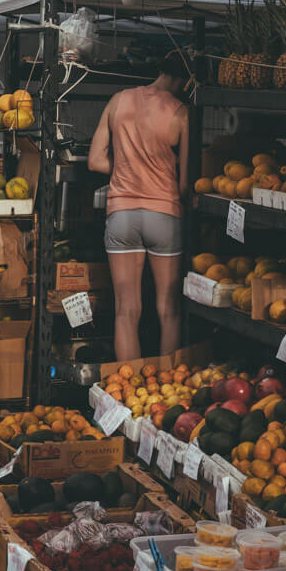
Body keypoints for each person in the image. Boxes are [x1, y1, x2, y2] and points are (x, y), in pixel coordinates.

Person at [89, 53, 191, 362]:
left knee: (126, 311)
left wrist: (127, 170)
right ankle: (167, 387)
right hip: (164, 214)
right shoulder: (182, 113)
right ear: (186, 80)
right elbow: (184, 184)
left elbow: (95, 160)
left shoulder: (119, 100)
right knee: (169, 310)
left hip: (122, 215)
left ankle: (127, 392)